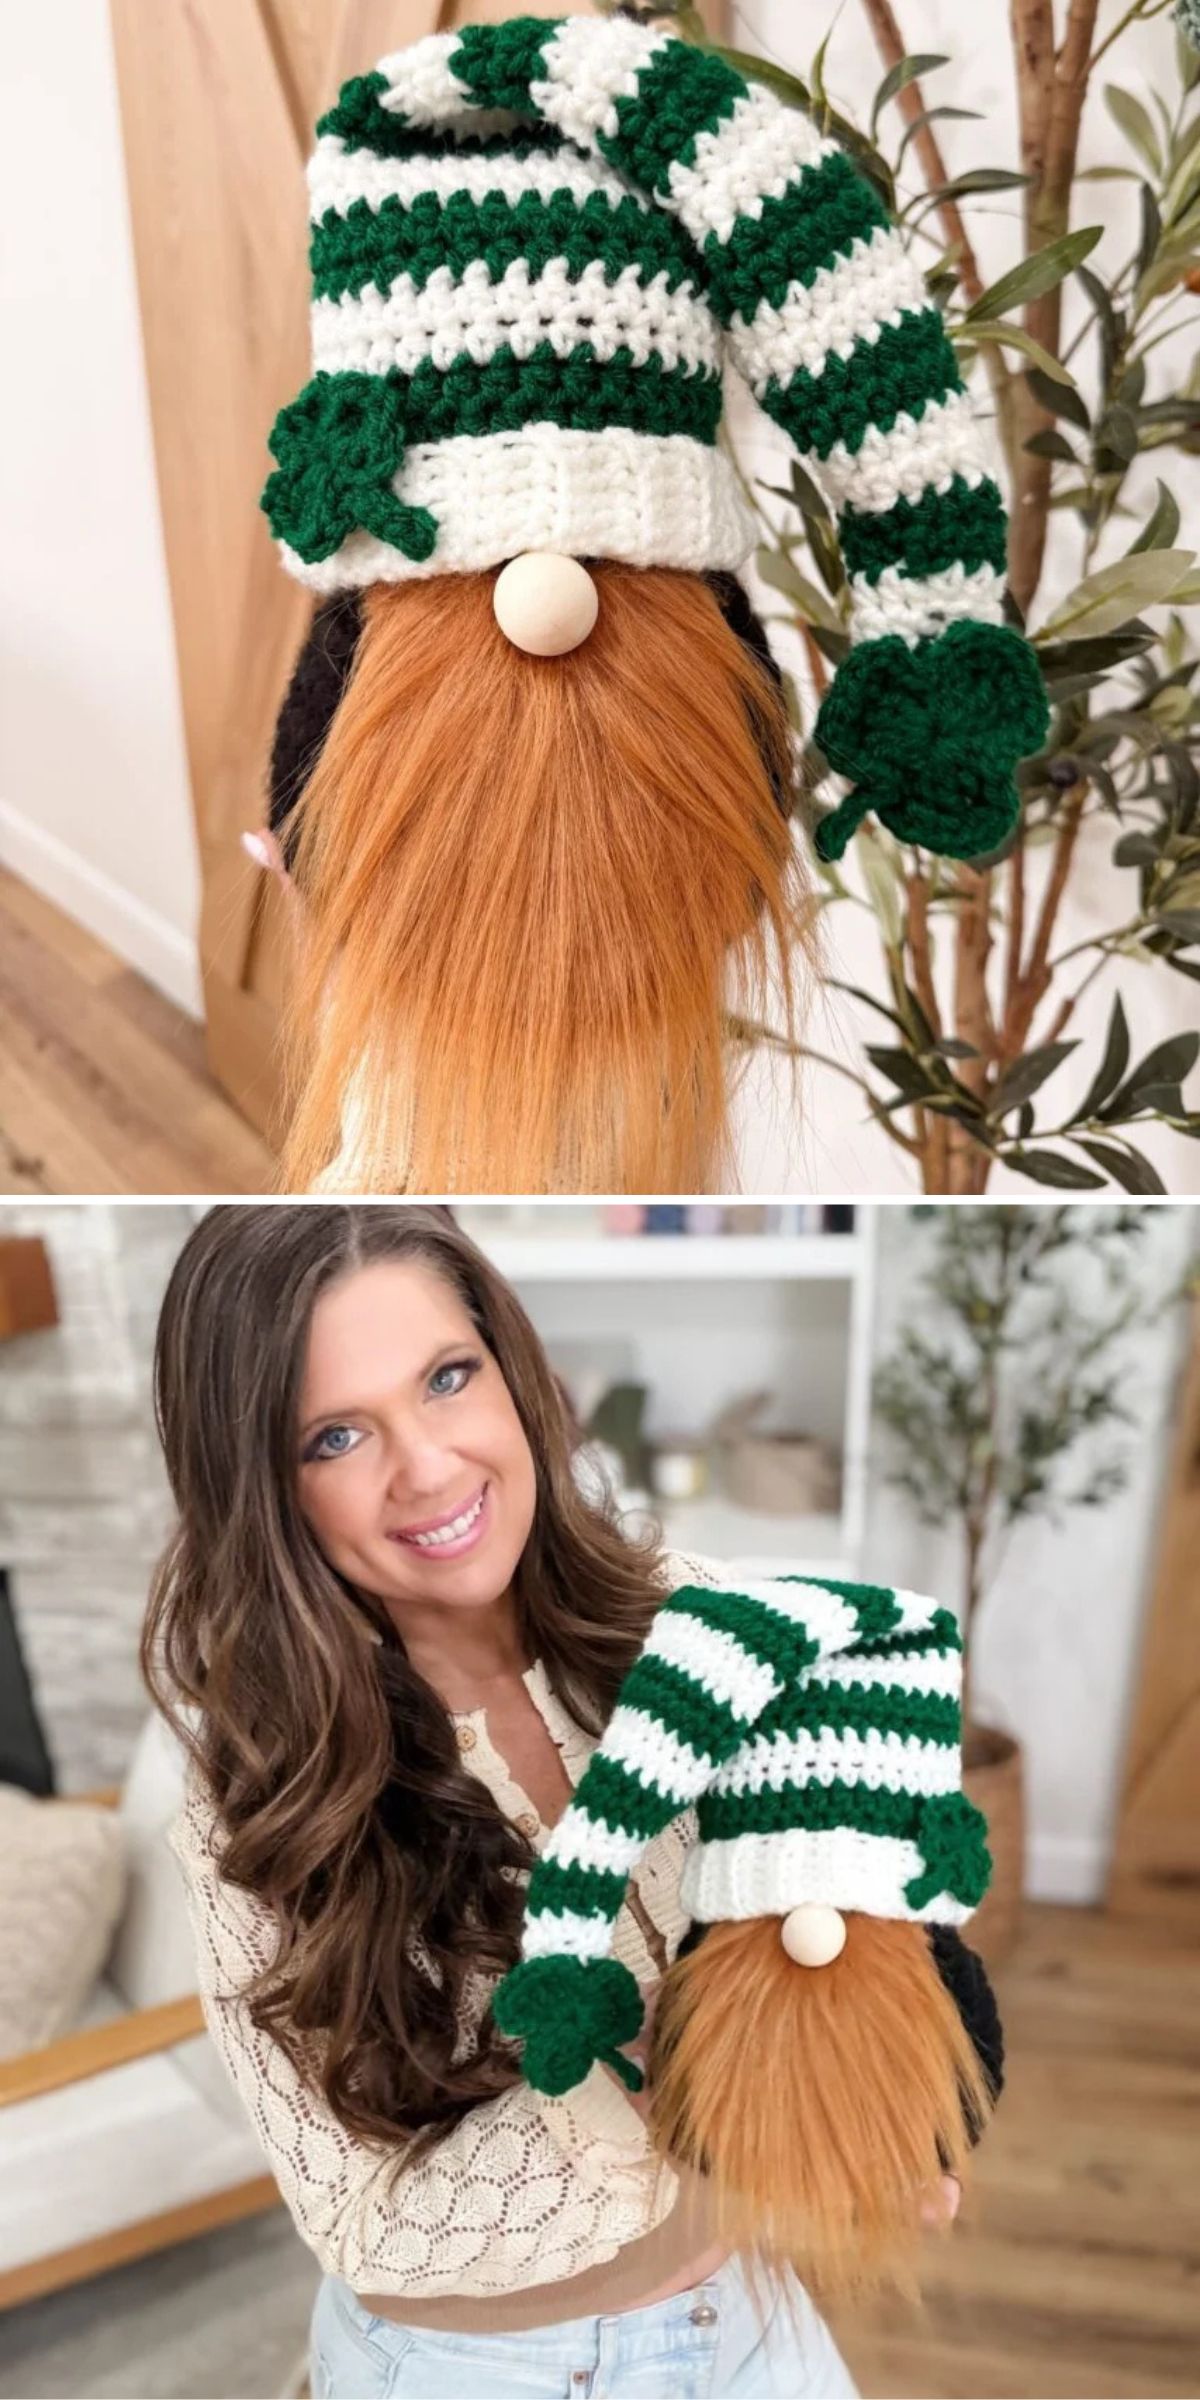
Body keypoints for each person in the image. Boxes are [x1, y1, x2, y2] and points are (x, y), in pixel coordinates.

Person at [143, 1204, 1003, 2398]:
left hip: (748, 2324)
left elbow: (876, 1898)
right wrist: (723, 2099)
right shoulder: (254, 1800)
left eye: (449, 1377)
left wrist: (872, 2091)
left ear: (513, 1367)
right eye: (334, 1438)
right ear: (262, 1491)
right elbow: (363, 2231)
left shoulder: (706, 1626)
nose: (428, 1467)